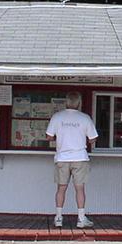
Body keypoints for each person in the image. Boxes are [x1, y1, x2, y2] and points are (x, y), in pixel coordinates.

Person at [46, 92, 99, 228]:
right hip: (80, 157)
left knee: (61, 188)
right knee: (80, 189)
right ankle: (81, 219)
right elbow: (93, 139)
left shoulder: (57, 117)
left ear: (66, 102)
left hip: (62, 157)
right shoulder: (85, 118)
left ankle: (58, 218)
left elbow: (49, 137)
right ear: (79, 103)